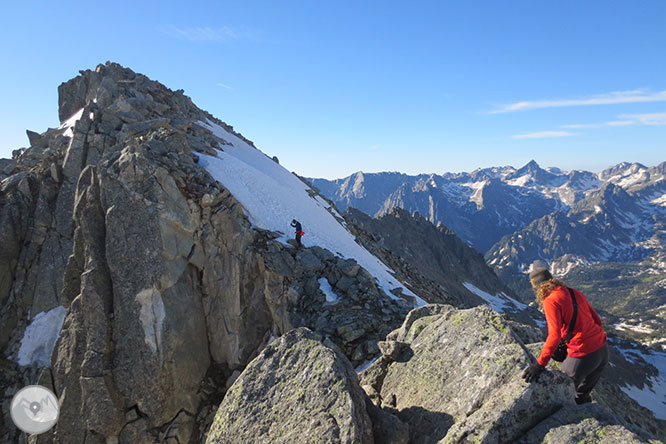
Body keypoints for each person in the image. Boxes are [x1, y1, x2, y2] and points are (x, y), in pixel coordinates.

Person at [522, 267, 609, 405]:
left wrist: (539, 364)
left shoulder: (550, 300)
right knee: (581, 397)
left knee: (561, 393)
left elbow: (554, 336)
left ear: (537, 288)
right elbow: (597, 321)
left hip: (582, 353)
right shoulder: (574, 292)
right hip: (603, 350)